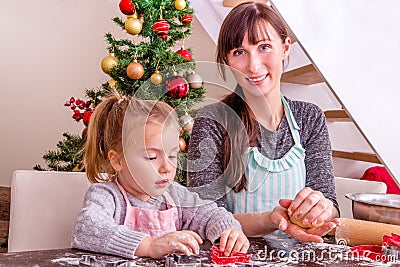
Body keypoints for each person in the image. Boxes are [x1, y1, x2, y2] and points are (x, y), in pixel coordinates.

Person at [187, 1, 339, 243]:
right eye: (239, 52)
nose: (253, 65)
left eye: (264, 47)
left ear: (285, 47)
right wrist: (270, 220)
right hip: (235, 257)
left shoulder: (310, 118)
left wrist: (321, 208)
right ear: (226, 60)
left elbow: (330, 204)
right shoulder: (213, 122)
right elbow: (204, 216)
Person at [71, 92, 249, 259]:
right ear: (117, 161)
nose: (167, 167)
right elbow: (86, 229)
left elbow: (210, 214)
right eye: (152, 157)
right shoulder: (107, 196)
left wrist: (229, 231)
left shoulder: (175, 195)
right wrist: (149, 246)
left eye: (172, 155)